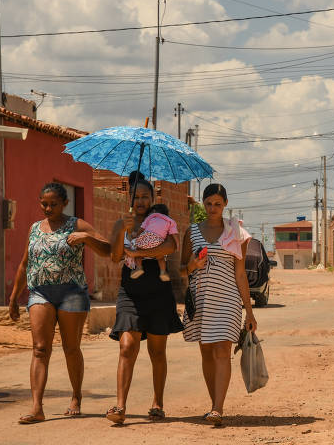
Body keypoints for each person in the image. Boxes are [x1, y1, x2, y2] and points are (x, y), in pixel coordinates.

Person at [8, 182, 112, 424]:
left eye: (53, 204)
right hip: (40, 293)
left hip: (72, 293)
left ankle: (76, 396)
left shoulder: (76, 225)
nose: (47, 208)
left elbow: (107, 250)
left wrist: (87, 237)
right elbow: (25, 264)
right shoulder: (35, 228)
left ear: (65, 203)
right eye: (44, 203)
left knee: (71, 347)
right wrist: (14, 297)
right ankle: (37, 408)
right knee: (40, 348)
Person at [105, 171, 183, 424]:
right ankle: (119, 407)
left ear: (152, 198)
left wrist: (141, 248)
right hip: (130, 291)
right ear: (130, 198)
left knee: (157, 352)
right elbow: (116, 257)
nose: (141, 201)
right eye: (136, 197)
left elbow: (172, 246)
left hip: (158, 292)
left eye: (145, 196)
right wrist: (121, 230)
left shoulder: (160, 219)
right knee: (127, 346)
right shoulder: (123, 222)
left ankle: (158, 403)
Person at [180, 183, 257, 426]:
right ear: (203, 204)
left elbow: (240, 273)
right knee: (206, 352)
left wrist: (249, 312)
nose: (213, 208)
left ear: (225, 205)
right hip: (201, 299)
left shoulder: (236, 233)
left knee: (222, 350)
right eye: (209, 203)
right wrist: (193, 266)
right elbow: (182, 270)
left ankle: (217, 408)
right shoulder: (191, 232)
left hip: (228, 299)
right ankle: (214, 403)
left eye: (218, 204)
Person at [125, 203, 179, 282]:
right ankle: (163, 272)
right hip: (159, 241)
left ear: (153, 211)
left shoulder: (151, 216)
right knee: (160, 256)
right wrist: (178, 245)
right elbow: (174, 234)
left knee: (138, 250)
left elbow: (142, 228)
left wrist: (136, 235)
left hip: (148, 237)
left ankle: (139, 267)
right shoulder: (170, 221)